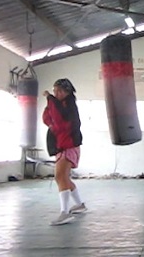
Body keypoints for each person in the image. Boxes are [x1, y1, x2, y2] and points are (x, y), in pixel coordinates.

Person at [42, 78, 86, 226]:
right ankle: (80, 205)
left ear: (67, 92)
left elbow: (60, 121)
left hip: (68, 146)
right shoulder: (60, 105)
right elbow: (48, 119)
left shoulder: (69, 106)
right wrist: (51, 101)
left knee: (60, 176)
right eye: (55, 91)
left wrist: (50, 99)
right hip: (63, 145)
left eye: (59, 91)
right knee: (64, 178)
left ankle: (65, 213)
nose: (56, 93)